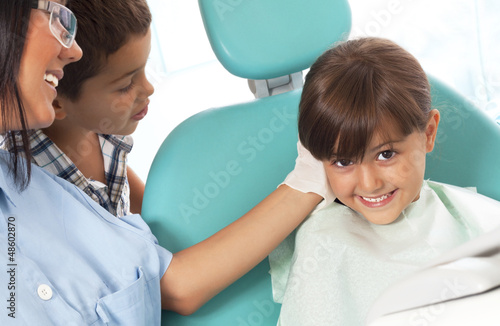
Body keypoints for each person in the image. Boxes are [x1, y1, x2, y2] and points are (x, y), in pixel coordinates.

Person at [0, 1, 331, 325]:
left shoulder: (101, 135)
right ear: (57, 96)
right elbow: (172, 286)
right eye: (125, 84)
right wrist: (307, 181)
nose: (148, 88)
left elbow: (147, 221)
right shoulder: (33, 182)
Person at [269, 37, 500, 326]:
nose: (369, 184)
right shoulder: (325, 245)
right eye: (343, 162)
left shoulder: (472, 216)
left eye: (386, 154)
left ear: (428, 133)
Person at [3, 0, 154, 216]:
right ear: (55, 102)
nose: (149, 89)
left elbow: (152, 212)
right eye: (125, 85)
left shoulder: (97, 130)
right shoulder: (32, 191)